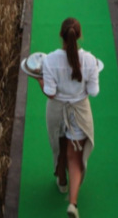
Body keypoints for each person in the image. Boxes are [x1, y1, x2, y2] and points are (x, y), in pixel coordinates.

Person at [38, 17, 101, 218]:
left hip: (57, 110)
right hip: (80, 112)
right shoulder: (90, 61)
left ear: (60, 35)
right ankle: (73, 203)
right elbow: (94, 91)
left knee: (59, 146)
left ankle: (62, 182)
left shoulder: (48, 60)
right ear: (79, 36)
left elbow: (50, 92)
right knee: (75, 156)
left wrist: (39, 80)